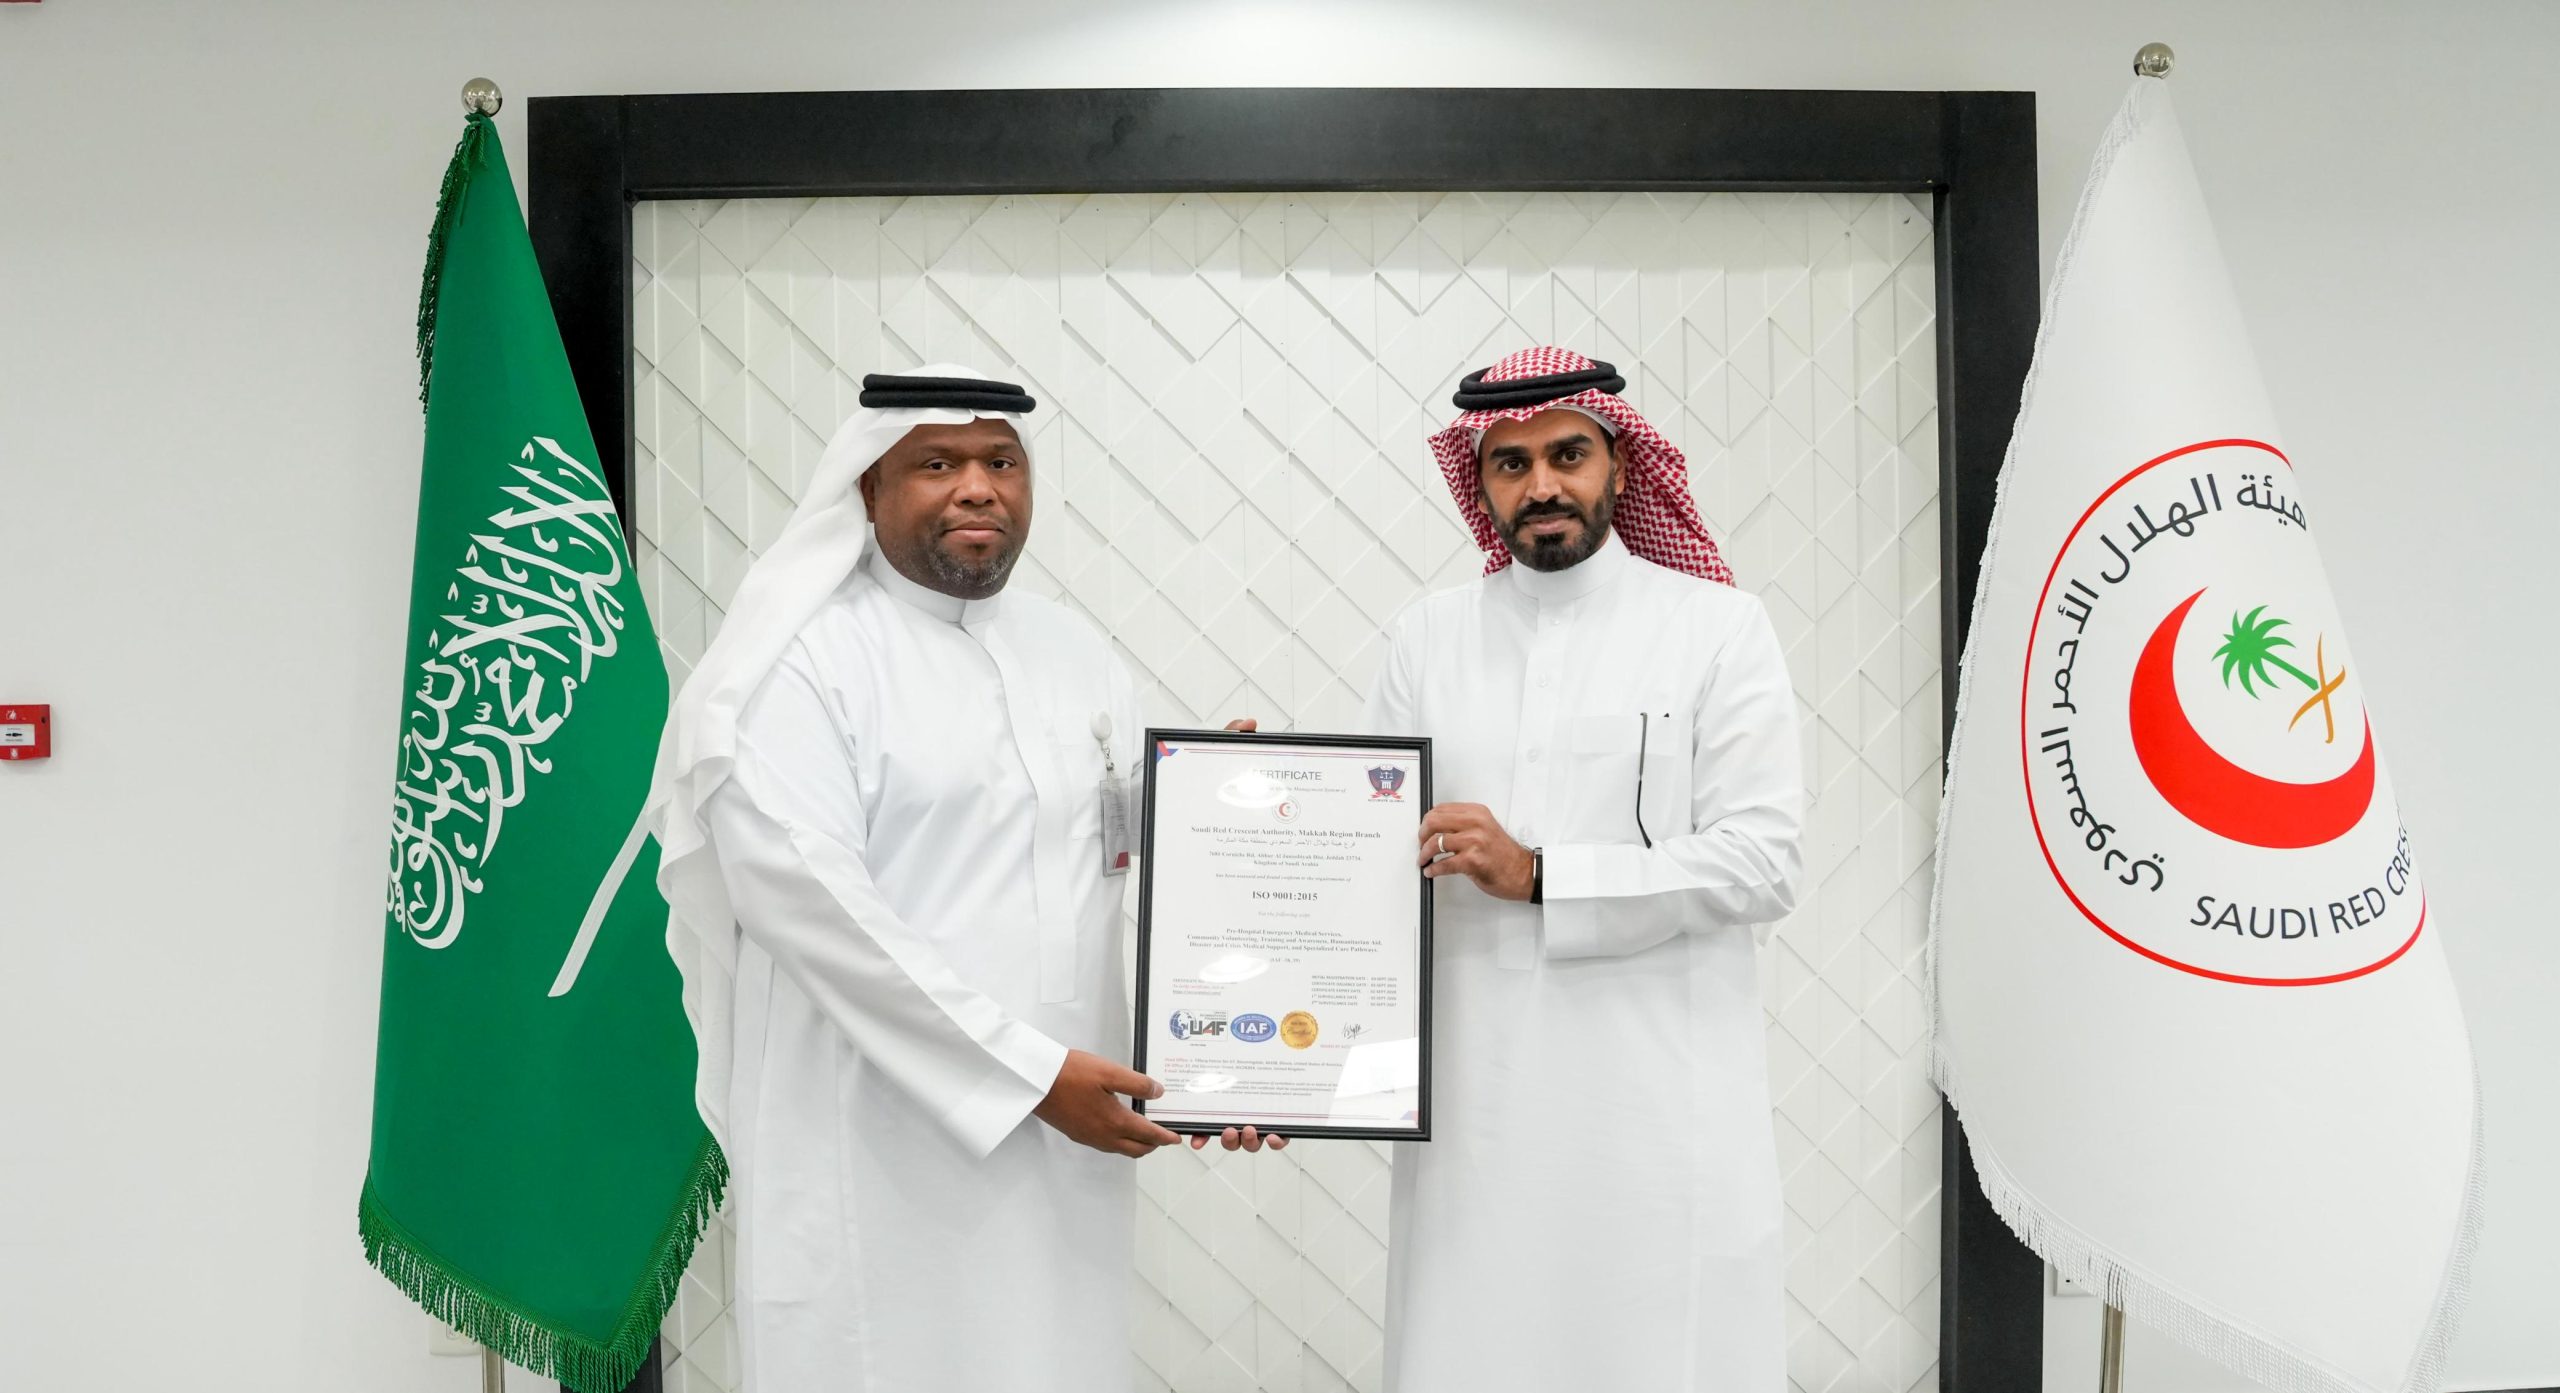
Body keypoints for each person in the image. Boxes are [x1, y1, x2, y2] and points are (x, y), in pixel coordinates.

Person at [644, 366, 1176, 1392]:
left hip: (1069, 1136)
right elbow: (816, 908)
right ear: (868, 487)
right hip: (874, 1140)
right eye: (937, 463)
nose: (978, 487)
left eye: (1002, 462)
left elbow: (1102, 842)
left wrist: (1229, 805)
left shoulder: (1076, 653)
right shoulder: (801, 662)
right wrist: (1027, 1075)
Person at [1368, 346, 1806, 1391]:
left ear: (1619, 463)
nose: (1541, 485)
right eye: (1510, 463)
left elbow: (1762, 861)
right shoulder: (1426, 637)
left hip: (1655, 1103)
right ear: (1480, 482)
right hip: (1477, 1105)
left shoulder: (1717, 628)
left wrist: (1541, 874)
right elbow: (1371, 858)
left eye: (1567, 454)